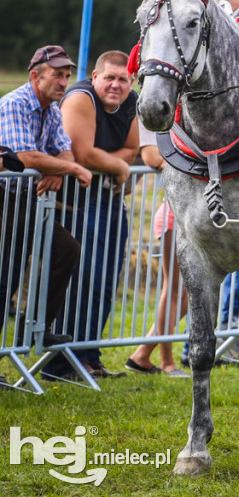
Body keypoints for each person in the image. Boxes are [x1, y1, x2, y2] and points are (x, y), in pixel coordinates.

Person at [46, 50, 139, 380]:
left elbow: (134, 147)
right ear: (94, 76)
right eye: (109, 78)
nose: (116, 85)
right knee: (83, 279)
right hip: (77, 201)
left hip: (111, 200)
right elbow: (82, 152)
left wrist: (115, 163)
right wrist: (117, 165)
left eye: (123, 79)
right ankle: (61, 362)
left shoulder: (131, 102)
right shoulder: (81, 98)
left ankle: (88, 356)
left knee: (105, 281)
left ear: (132, 81)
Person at [0, 45, 91, 352]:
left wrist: (58, 169)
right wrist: (68, 168)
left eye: (67, 76)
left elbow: (63, 148)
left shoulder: (52, 110)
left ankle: (37, 326)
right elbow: (24, 156)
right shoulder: (16, 103)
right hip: (5, 201)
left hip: (28, 201)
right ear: (35, 76)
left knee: (67, 250)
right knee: (4, 280)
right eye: (57, 75)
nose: (64, 82)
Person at [126, 121, 189, 377]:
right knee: (172, 289)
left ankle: (142, 355)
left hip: (187, 216)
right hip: (173, 215)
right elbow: (152, 157)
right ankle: (167, 361)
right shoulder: (167, 129)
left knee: (184, 297)